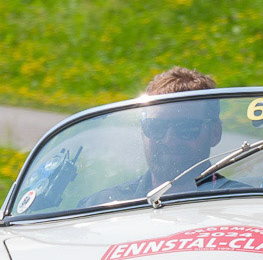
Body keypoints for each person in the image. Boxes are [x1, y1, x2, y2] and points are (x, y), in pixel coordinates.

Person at [73, 67, 228, 207]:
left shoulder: (236, 204)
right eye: (156, 127)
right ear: (143, 131)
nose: (170, 140)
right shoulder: (101, 204)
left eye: (186, 128)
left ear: (214, 133)